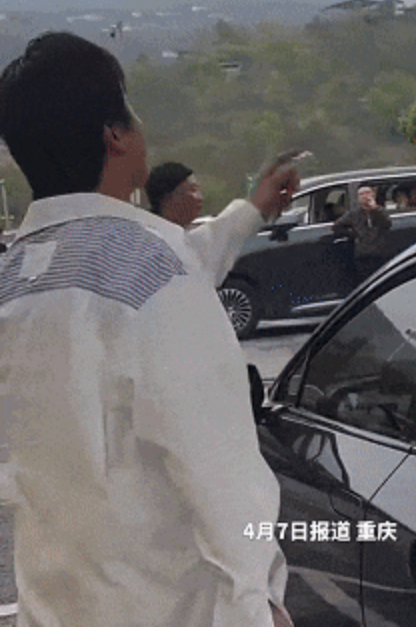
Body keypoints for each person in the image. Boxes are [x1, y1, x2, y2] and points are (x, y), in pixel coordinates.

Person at [0, 32, 295, 627]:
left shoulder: (15, 281)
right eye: (131, 110)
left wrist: (252, 209)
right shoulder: (155, 273)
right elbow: (222, 481)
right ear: (114, 135)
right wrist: (257, 601)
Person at [146, 160, 279, 287]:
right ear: (169, 198)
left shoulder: (172, 236)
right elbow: (227, 227)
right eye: (192, 190)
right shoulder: (166, 246)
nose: (200, 198)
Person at [333, 183, 393, 285]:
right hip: (363, 254)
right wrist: (353, 234)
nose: (365, 196)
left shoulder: (380, 211)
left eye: (367, 193)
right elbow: (337, 226)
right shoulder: (354, 213)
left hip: (380, 253)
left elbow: (387, 224)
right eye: (361, 194)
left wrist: (374, 208)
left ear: (373, 195)